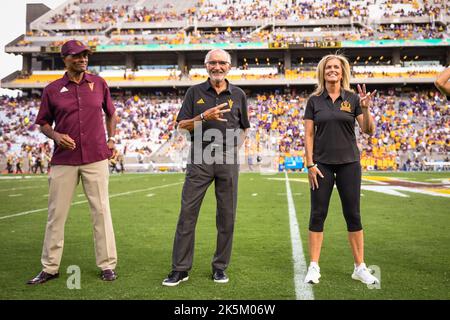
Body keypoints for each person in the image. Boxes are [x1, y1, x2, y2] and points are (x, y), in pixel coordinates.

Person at [27, 40, 118, 285]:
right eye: (77, 56)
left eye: (85, 56)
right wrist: (56, 135)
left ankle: (107, 265)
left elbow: (111, 112)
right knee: (56, 214)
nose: (83, 60)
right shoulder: (52, 89)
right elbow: (44, 123)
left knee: (101, 212)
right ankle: (50, 267)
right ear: (65, 59)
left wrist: (113, 140)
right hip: (63, 160)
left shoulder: (99, 84)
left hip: (96, 157)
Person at [162, 49, 250, 286]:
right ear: (206, 66)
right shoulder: (194, 92)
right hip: (200, 157)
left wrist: (234, 148)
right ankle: (180, 269)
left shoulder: (239, 94)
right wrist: (203, 117)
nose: (217, 67)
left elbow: (244, 127)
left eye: (222, 63)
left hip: (227, 159)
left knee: (227, 216)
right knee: (187, 214)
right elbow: (181, 126)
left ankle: (220, 267)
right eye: (213, 63)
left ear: (229, 67)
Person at [303, 54, 379, 285]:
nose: (332, 70)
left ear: (342, 72)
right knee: (318, 214)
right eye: (328, 67)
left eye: (336, 67)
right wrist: (310, 164)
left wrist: (365, 109)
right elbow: (308, 134)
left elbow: (368, 131)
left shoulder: (354, 98)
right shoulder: (314, 100)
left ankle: (359, 267)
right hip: (321, 165)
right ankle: (314, 266)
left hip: (349, 163)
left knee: (353, 214)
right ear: (322, 72)